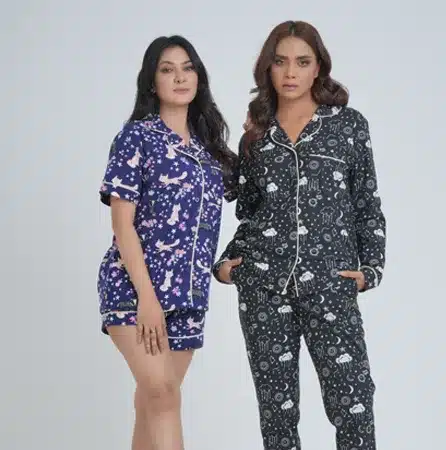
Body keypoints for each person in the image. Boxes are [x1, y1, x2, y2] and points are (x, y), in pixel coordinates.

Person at [213, 20, 386, 450]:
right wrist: (227, 265)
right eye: (281, 61)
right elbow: (249, 210)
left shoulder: (348, 126)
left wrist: (371, 269)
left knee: (354, 407)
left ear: (318, 68)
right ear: (268, 68)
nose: (290, 72)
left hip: (330, 283)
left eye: (302, 62)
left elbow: (366, 202)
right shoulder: (258, 134)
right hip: (264, 286)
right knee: (277, 417)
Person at [97, 35, 237, 450]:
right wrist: (148, 298)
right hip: (134, 290)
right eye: (167, 69)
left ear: (199, 78)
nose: (180, 77)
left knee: (153, 402)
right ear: (152, 82)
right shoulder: (136, 137)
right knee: (162, 394)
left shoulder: (211, 153)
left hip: (189, 296)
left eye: (188, 68)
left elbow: (256, 205)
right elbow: (122, 226)